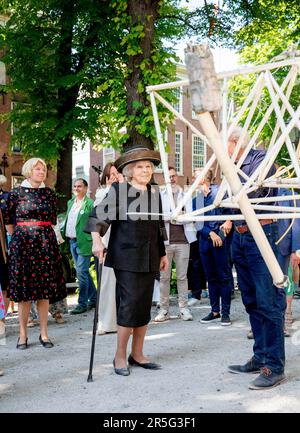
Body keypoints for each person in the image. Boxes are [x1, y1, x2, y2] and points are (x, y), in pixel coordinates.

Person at [86, 145, 168, 376]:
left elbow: (158, 227)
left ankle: (138, 354)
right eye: (140, 167)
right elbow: (97, 218)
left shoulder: (154, 191)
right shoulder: (120, 191)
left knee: (143, 306)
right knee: (129, 305)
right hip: (126, 257)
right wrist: (97, 241)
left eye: (149, 166)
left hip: (150, 255)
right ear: (130, 171)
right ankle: (119, 356)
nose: (145, 170)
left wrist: (162, 253)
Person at [226, 126, 286, 390]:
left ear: (235, 142)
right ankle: (260, 355)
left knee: (268, 301)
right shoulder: (234, 164)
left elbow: (253, 194)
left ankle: (273, 366)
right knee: (251, 299)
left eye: (223, 143)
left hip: (261, 232)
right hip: (240, 236)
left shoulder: (261, 160)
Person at [4, 158, 67, 349]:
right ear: (28, 171)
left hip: (45, 245)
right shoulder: (16, 193)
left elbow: (53, 220)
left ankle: (44, 334)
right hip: (23, 245)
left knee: (44, 291)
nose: (42, 172)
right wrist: (23, 236)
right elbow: (8, 223)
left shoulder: (49, 193)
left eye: (44, 169)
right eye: (37, 169)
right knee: (24, 293)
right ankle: (22, 335)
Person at [154, 167, 196, 322]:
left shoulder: (185, 196)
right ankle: (164, 310)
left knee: (182, 276)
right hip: (165, 242)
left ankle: (183, 308)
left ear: (176, 178)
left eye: (173, 176)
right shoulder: (160, 196)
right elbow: (160, 218)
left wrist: (175, 217)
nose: (171, 179)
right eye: (168, 176)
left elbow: (189, 217)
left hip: (183, 241)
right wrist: (176, 216)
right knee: (164, 277)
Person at [196, 169, 233, 325]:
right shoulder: (197, 198)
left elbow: (231, 212)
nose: (193, 178)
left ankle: (225, 313)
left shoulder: (220, 192)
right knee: (211, 278)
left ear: (205, 178)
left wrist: (227, 223)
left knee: (224, 277)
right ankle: (215, 311)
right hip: (205, 243)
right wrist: (211, 233)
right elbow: (197, 223)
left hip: (221, 242)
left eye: (196, 175)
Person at [93, 162, 124, 335]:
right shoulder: (102, 195)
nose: (113, 176)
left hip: (122, 243)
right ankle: (104, 322)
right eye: (110, 174)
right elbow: (96, 222)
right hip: (106, 242)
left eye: (116, 173)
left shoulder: (125, 194)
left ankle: (122, 321)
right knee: (106, 283)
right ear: (105, 177)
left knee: (122, 284)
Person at [64, 178, 97, 314]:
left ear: (85, 188)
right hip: (72, 241)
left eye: (80, 186)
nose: (77, 188)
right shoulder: (70, 202)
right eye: (75, 186)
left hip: (85, 242)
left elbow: (94, 222)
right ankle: (94, 298)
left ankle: (82, 303)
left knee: (81, 272)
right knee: (83, 272)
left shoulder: (90, 204)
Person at [276, 187, 300, 335]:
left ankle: (282, 321)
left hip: (284, 247)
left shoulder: (291, 195)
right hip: (263, 246)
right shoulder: (257, 193)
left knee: (286, 283)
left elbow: (296, 223)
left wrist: (295, 250)